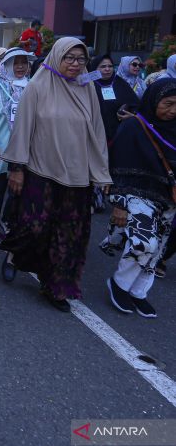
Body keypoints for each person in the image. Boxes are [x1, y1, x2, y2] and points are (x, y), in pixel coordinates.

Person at [0, 37, 111, 312]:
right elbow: (23, 129)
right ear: (57, 56)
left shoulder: (87, 87)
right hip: (40, 170)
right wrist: (17, 168)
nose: (75, 64)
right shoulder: (38, 86)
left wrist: (101, 172)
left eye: (80, 59)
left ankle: (55, 287)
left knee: (68, 234)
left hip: (77, 175)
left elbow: (97, 130)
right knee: (35, 229)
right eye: (69, 58)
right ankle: (15, 255)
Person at [102, 78, 176, 318]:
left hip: (167, 198)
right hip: (135, 194)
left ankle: (139, 291)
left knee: (158, 250)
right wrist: (119, 205)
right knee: (144, 243)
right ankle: (120, 284)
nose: (172, 110)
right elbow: (118, 166)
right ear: (154, 99)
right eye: (168, 103)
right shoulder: (133, 127)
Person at [0, 48, 35, 246]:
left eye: (24, 62)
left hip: (23, 152)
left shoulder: (32, 87)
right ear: (6, 65)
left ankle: (8, 222)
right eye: (15, 62)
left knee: (17, 192)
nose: (20, 66)